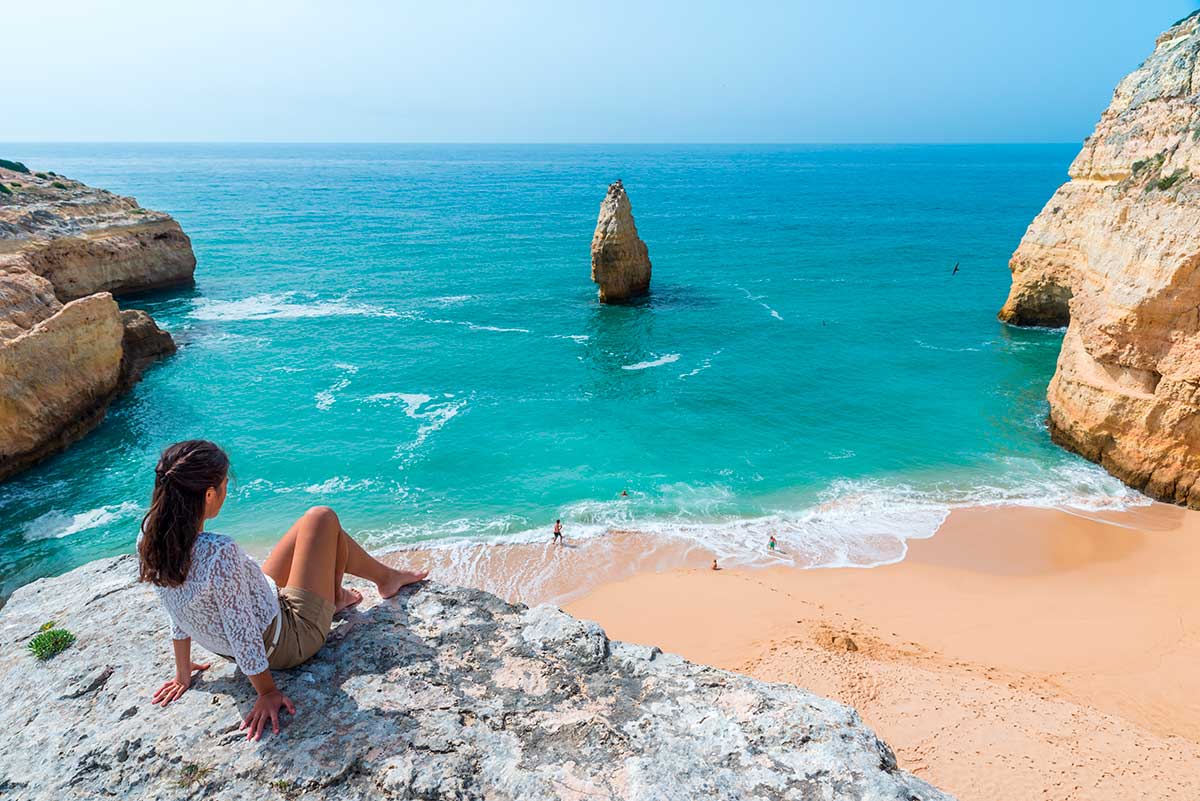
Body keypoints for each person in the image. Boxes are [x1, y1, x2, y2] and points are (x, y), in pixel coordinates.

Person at [140, 440, 427, 741]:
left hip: (263, 613)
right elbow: (242, 631)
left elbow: (176, 602)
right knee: (322, 517)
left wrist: (182, 671)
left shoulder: (151, 539)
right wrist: (267, 692)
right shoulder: (218, 553)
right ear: (209, 494)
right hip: (286, 641)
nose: (226, 491)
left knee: (314, 529)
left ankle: (343, 593)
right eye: (225, 485)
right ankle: (354, 590)